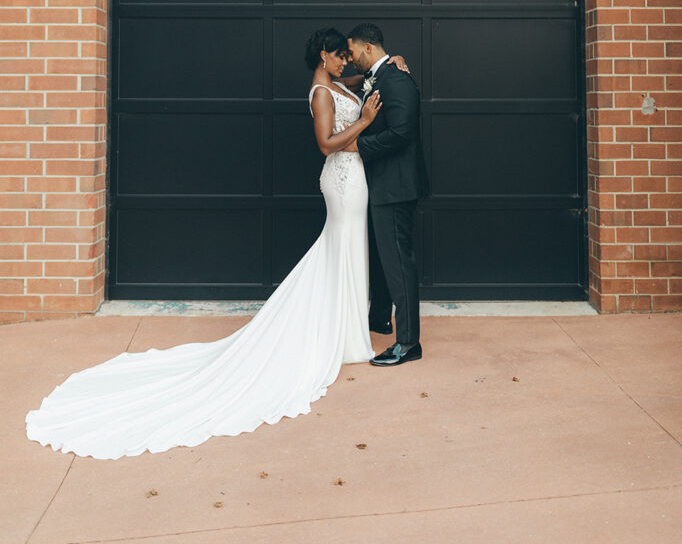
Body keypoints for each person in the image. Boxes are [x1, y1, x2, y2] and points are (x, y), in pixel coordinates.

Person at [24, 28, 408, 460]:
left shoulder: (338, 83)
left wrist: (386, 66)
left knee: (346, 253)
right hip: (341, 179)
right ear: (325, 56)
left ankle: (346, 330)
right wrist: (365, 122)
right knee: (341, 250)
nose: (347, 65)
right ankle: (341, 336)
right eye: (341, 58)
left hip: (356, 180)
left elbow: (360, 83)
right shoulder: (321, 93)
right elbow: (325, 145)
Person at [347, 23, 430, 368]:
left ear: (368, 48)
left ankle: (409, 342)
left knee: (398, 262)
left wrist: (358, 146)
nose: (350, 59)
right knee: (384, 258)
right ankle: (379, 317)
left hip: (396, 187)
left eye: (352, 53)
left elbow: (402, 132)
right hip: (381, 185)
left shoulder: (397, 80)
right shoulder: (382, 76)